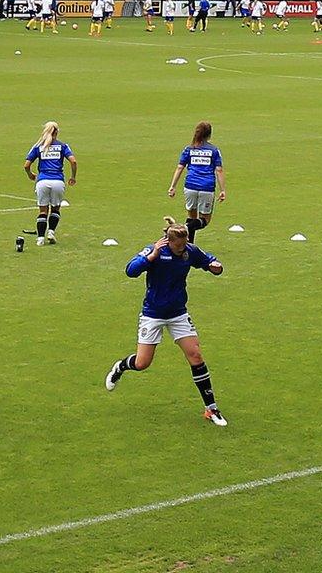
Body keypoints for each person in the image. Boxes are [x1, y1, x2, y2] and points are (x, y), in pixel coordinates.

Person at [105, 220, 227, 427]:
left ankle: (211, 408)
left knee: (195, 355)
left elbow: (209, 261)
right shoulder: (154, 250)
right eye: (178, 246)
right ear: (168, 241)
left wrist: (216, 266)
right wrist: (151, 258)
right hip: (153, 314)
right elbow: (130, 270)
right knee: (142, 363)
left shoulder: (189, 250)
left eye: (185, 243)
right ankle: (121, 366)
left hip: (178, 313)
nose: (182, 249)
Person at [167, 122, 225, 237]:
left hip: (190, 186)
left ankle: (189, 245)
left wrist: (172, 186)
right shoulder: (213, 150)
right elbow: (219, 170)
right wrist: (222, 190)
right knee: (205, 220)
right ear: (209, 135)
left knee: (191, 217)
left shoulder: (189, 149)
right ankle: (185, 228)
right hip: (206, 187)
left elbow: (180, 167)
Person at [24, 121, 75, 246]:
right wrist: (73, 177)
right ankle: (51, 232)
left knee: (43, 210)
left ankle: (40, 238)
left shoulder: (38, 146)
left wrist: (30, 174)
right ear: (56, 132)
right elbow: (73, 162)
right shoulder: (63, 146)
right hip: (57, 181)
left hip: (42, 181)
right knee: (55, 208)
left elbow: (26, 165)